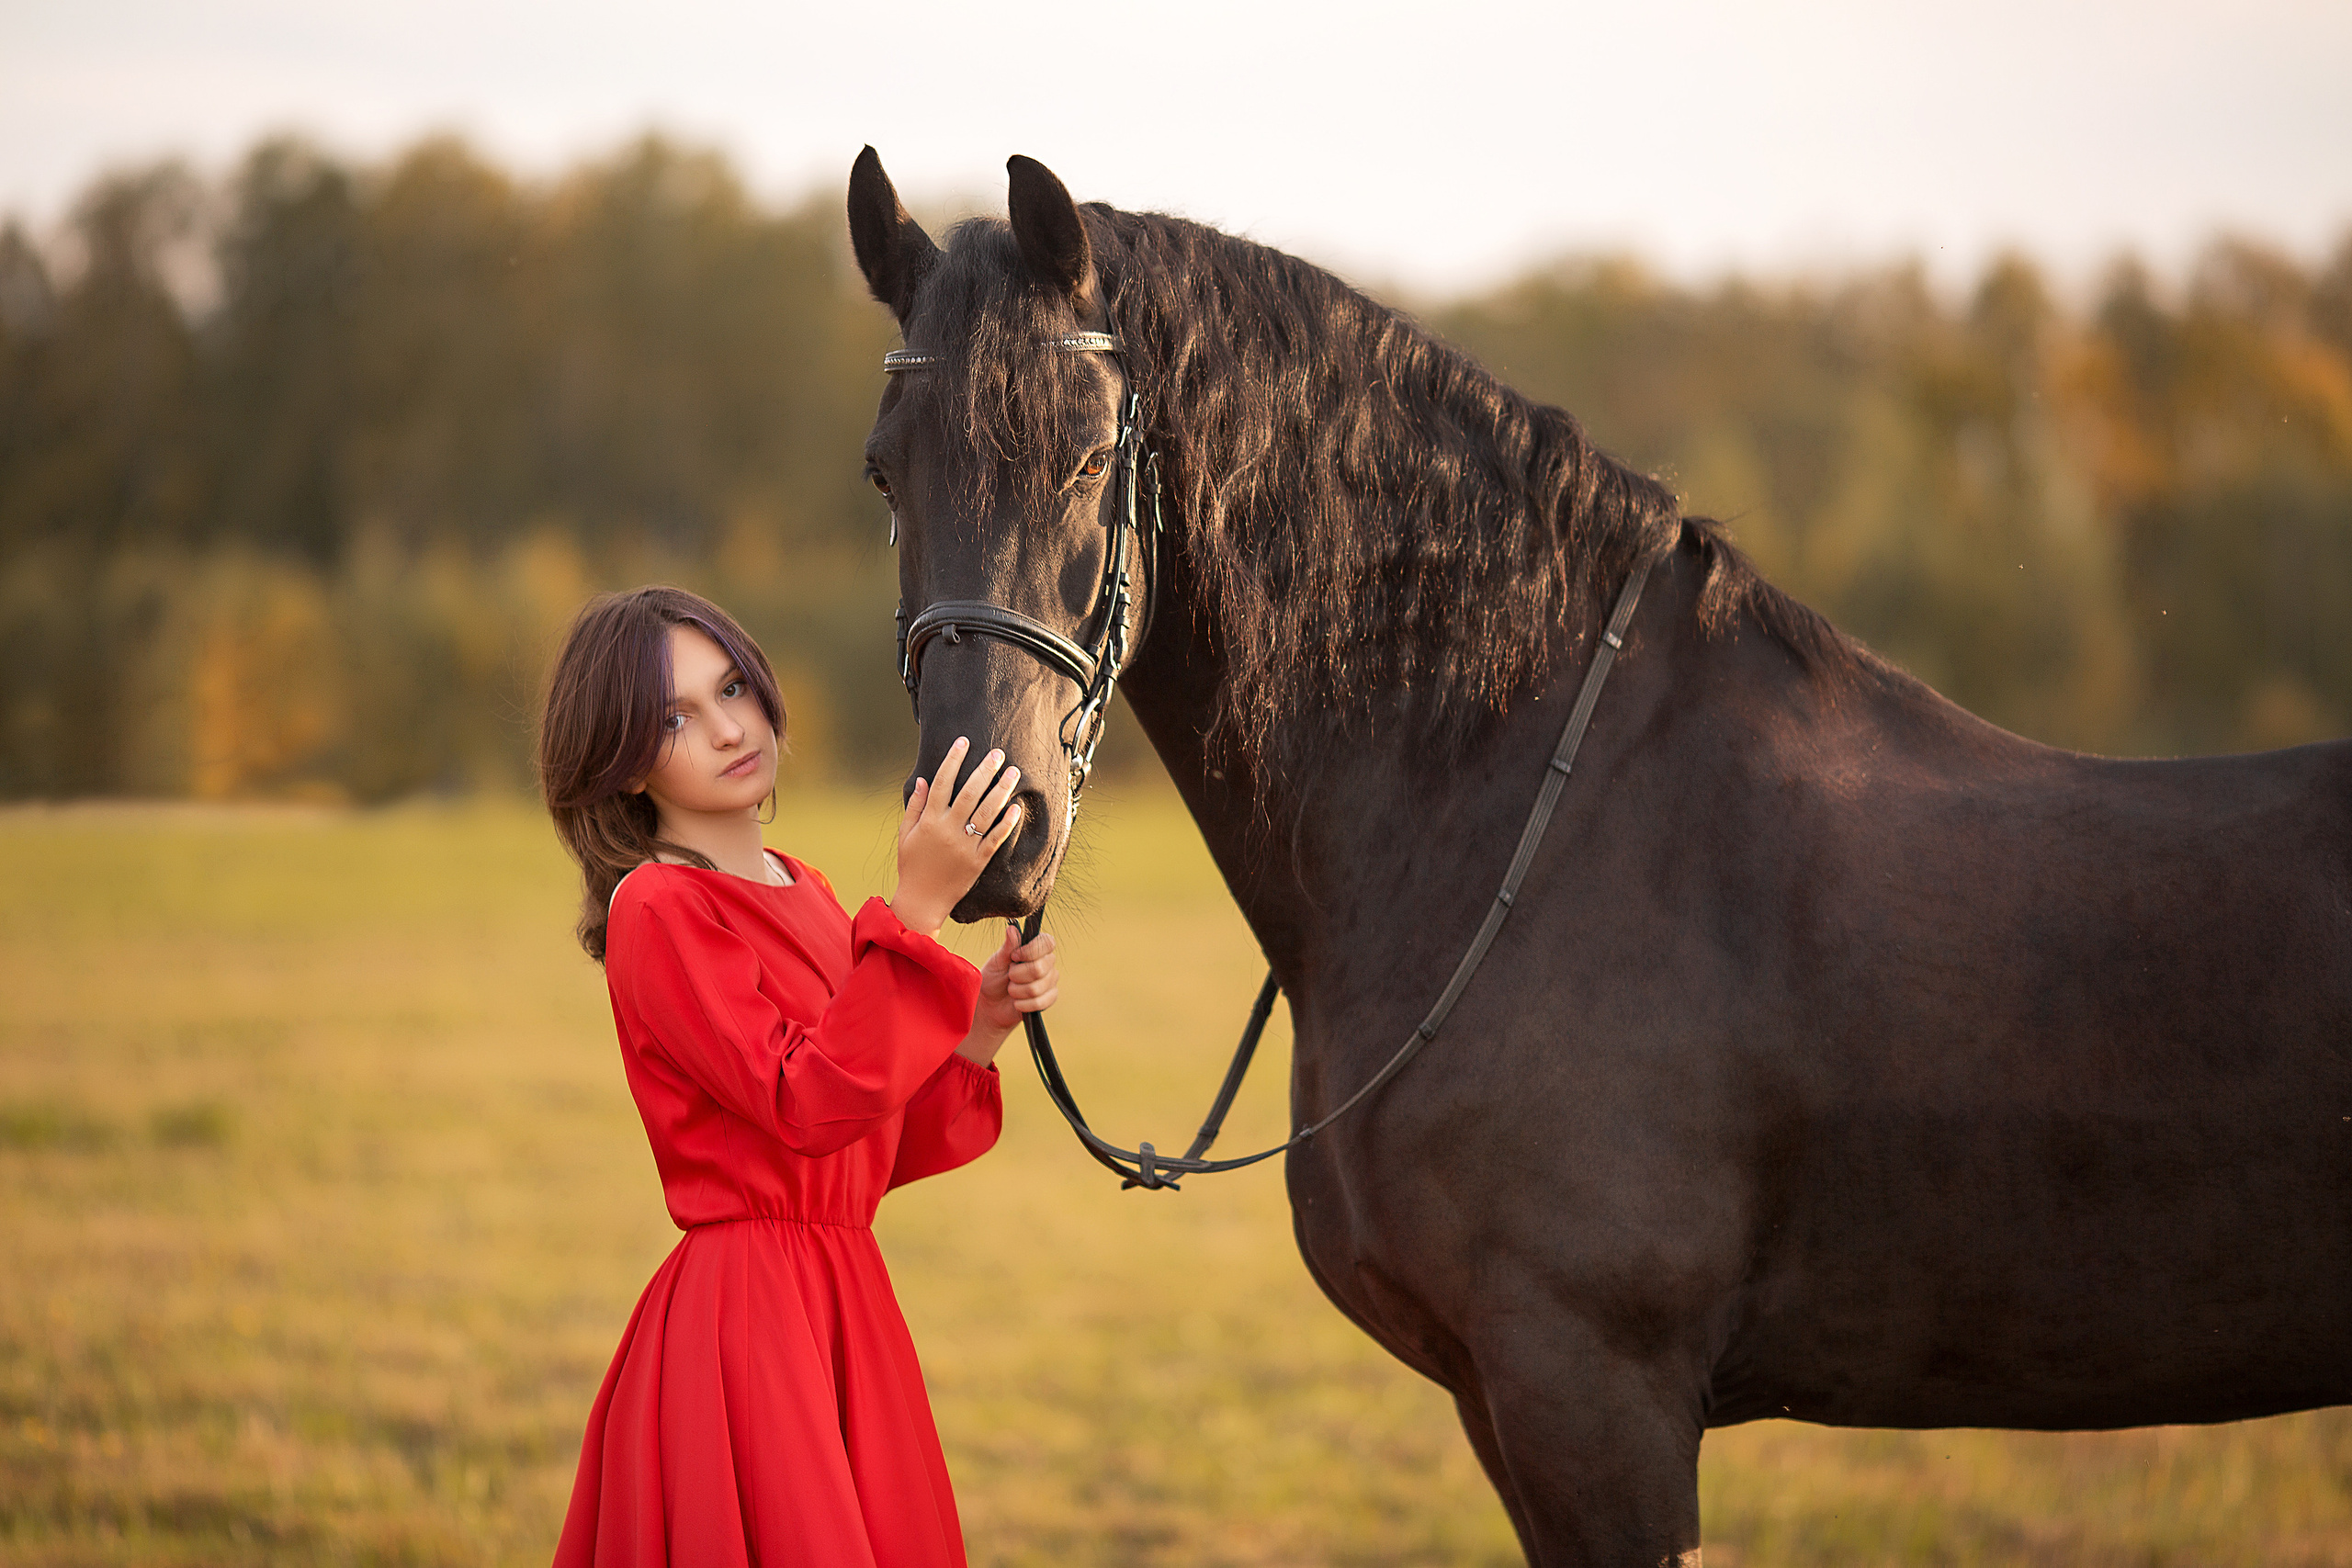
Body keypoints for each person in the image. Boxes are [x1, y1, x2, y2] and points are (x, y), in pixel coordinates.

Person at [536, 585, 1057, 1567]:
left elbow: (868, 1141)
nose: (729, 728)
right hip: (748, 1322)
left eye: (732, 686)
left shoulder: (806, 888)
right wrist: (914, 912)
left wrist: (978, 1029)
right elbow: (803, 1102)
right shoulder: (659, 907)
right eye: (674, 718)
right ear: (620, 759)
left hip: (845, 1300)